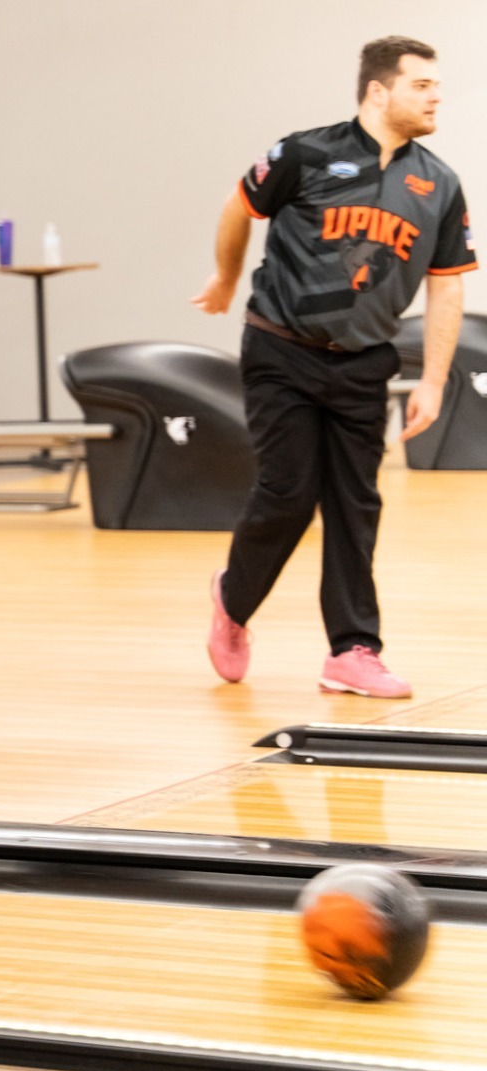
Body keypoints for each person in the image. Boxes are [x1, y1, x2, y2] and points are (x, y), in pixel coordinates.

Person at [192, 36, 472, 699]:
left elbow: (449, 284)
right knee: (289, 491)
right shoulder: (304, 152)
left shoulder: (438, 182)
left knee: (355, 504)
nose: (437, 96)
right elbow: (240, 207)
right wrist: (227, 277)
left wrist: (432, 380)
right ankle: (233, 599)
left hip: (363, 365)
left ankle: (351, 649)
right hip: (280, 349)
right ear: (379, 91)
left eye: (437, 85)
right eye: (422, 85)